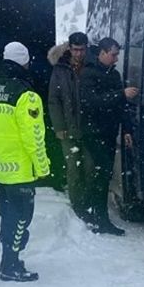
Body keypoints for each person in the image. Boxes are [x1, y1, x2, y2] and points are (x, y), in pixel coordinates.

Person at [0, 42, 52, 281]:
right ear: (25, 62)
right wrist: (42, 167)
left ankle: (8, 259)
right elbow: (34, 137)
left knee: (8, 215)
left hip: (0, 166)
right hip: (20, 168)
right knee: (21, 218)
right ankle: (10, 265)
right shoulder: (26, 95)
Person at [78, 37, 137, 235]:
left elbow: (121, 106)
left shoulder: (114, 74)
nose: (116, 59)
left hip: (109, 132)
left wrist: (127, 129)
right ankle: (99, 217)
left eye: (117, 55)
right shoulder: (88, 73)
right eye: (113, 55)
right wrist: (120, 94)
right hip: (93, 132)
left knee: (103, 174)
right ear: (102, 53)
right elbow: (92, 102)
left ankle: (91, 211)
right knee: (102, 174)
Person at [47, 32, 89, 221]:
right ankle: (77, 206)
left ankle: (88, 204)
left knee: (89, 168)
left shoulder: (91, 66)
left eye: (82, 50)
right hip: (68, 126)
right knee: (73, 168)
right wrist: (59, 126)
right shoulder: (60, 68)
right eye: (75, 50)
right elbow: (54, 100)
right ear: (69, 49)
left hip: (89, 127)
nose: (78, 54)